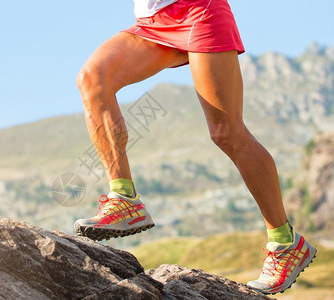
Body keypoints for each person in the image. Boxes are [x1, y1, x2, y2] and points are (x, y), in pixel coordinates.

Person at [73, 0, 316, 295]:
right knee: (93, 78)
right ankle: (124, 199)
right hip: (152, 22)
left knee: (227, 134)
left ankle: (285, 241)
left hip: (200, 11)